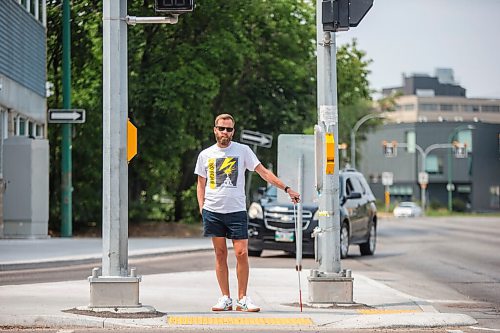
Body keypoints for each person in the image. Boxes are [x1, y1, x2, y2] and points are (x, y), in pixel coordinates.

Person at [194, 113, 300, 312]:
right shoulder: (206, 155)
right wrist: (202, 208)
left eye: (229, 129)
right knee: (220, 254)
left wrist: (287, 189)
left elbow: (264, 172)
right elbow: (201, 184)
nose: (226, 132)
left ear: (233, 131)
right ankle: (225, 298)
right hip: (213, 211)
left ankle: (242, 298)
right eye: (222, 128)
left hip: (236, 211)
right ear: (215, 130)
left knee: (242, 253)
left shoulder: (243, 151)